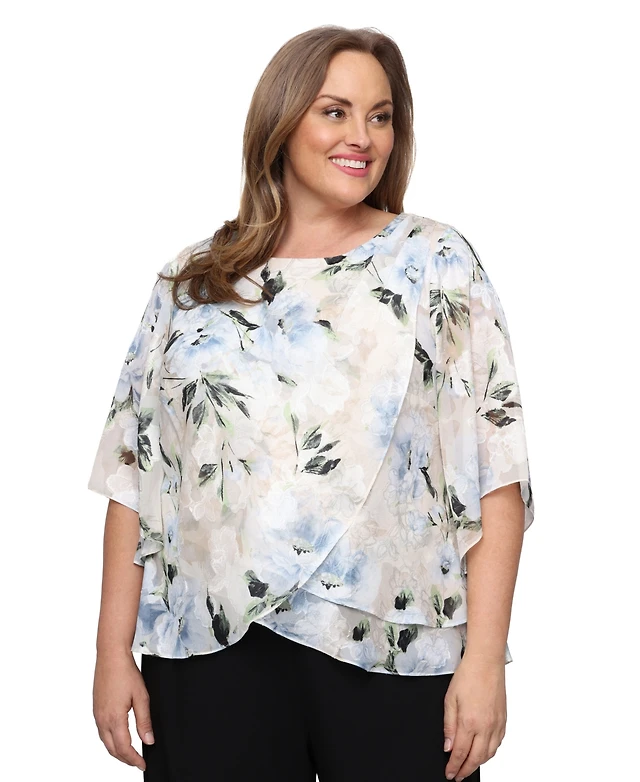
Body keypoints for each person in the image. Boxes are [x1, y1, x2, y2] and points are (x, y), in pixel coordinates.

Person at [89, 24, 534, 782]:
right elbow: (136, 474)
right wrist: (111, 652)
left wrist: (485, 660)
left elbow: (495, 471)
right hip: (206, 648)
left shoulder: (435, 262)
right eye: (335, 112)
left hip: (393, 648)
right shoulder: (192, 282)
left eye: (380, 116)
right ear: (281, 121)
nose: (363, 136)